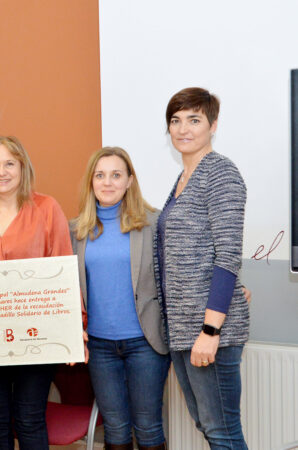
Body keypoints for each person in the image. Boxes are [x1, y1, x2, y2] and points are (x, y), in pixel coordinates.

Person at [0, 136, 76, 449]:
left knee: (29, 417)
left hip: (36, 334)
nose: (2, 171)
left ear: (22, 167)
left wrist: (76, 327)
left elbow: (63, 270)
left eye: (9, 163)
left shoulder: (46, 208)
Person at [157, 87, 249, 449]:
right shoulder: (183, 179)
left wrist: (211, 331)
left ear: (212, 125)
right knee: (208, 426)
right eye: (175, 121)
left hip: (208, 331)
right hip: (182, 329)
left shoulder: (220, 173)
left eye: (194, 120)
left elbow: (227, 255)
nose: (183, 129)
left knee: (222, 430)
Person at [72, 147, 169, 450]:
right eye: (100, 175)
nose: (107, 182)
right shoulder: (76, 230)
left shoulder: (153, 224)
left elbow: (178, 274)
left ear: (129, 181)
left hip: (145, 343)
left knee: (148, 425)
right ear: (91, 182)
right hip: (100, 347)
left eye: (116, 175)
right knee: (114, 427)